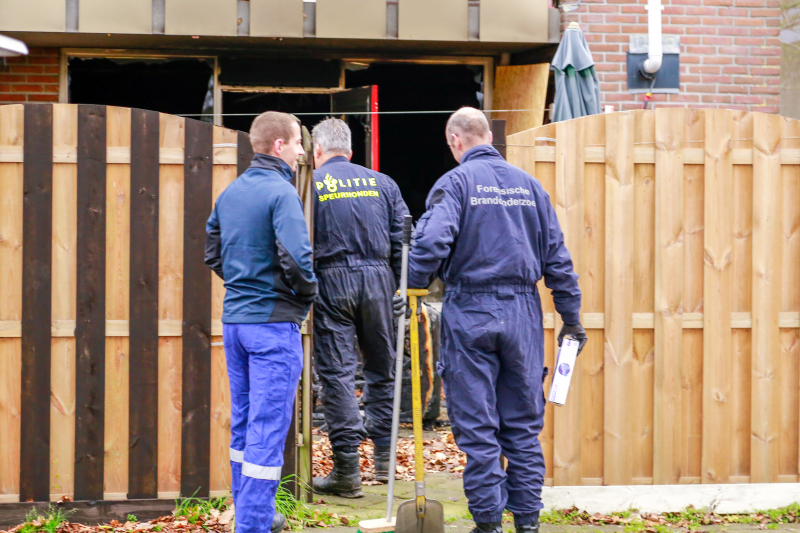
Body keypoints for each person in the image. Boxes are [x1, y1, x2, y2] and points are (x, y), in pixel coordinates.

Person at [406, 108, 587, 533]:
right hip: (523, 312)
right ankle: (527, 524)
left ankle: (488, 525)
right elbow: (558, 260)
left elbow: (431, 240)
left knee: (479, 431)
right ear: (488, 136)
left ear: (455, 142)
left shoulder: (455, 183)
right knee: (522, 429)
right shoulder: (531, 188)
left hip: (470, 312)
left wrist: (412, 286)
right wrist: (571, 318)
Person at [205, 111, 317, 533]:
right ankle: (252, 524)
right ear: (279, 146)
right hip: (272, 326)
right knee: (268, 431)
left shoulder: (231, 193)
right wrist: (304, 298)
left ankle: (257, 514)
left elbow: (213, 253)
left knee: (246, 424)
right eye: (297, 143)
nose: (302, 151)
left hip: (235, 323)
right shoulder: (282, 193)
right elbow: (298, 260)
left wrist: (244, 284)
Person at [309, 118, 410, 498]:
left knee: (336, 374)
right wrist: (403, 288)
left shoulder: (312, 184)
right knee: (383, 368)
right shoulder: (383, 183)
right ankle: (384, 462)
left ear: (317, 151)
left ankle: (348, 471)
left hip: (331, 280)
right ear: (350, 150)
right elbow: (404, 240)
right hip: (380, 280)